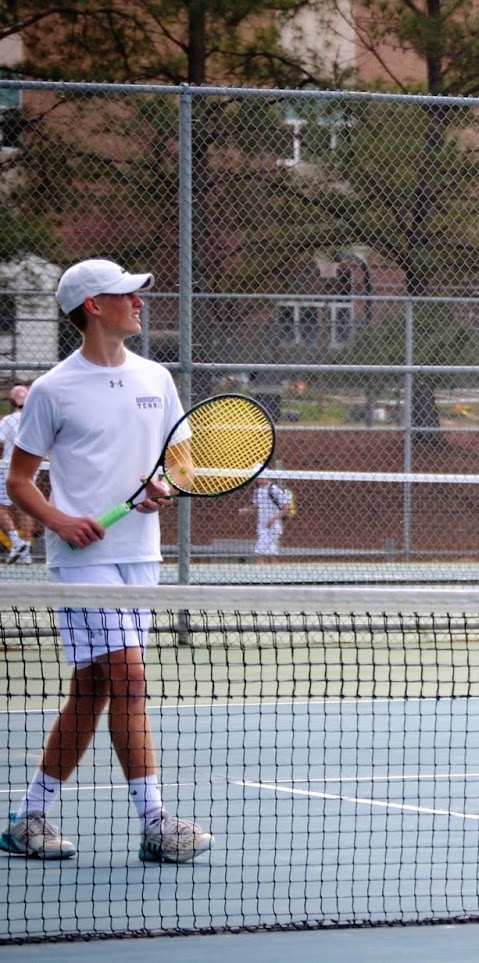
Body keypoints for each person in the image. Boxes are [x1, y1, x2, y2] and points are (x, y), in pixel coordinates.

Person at [1, 258, 213, 863]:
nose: (139, 302)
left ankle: (28, 817)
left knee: (93, 690)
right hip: (81, 563)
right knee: (131, 678)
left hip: (140, 555)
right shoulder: (53, 390)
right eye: (126, 294)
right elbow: (19, 481)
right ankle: (157, 823)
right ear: (93, 306)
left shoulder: (157, 379)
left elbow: (182, 462)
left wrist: (167, 486)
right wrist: (60, 521)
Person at [0, 383, 37, 563]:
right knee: (25, 507)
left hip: (8, 466)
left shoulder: (7, 420)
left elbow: (0, 445)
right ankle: (25, 550)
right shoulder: (34, 419)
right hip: (31, 466)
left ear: (12, 401)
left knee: (1, 506)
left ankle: (16, 541)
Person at [240, 472, 292, 563]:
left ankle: (261, 563)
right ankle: (270, 566)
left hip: (274, 524)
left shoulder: (274, 489)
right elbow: (255, 507)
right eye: (258, 479)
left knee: (261, 548)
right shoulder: (257, 491)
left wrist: (274, 518)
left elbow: (286, 508)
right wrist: (246, 510)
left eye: (262, 478)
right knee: (271, 549)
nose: (259, 481)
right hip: (262, 523)